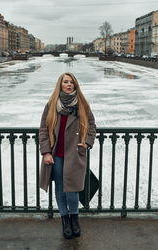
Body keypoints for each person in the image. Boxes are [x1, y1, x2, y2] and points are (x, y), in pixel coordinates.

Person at [39, 72, 96, 239]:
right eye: (65, 82)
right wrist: (46, 152)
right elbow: (43, 129)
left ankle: (75, 219)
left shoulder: (82, 105)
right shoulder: (51, 105)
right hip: (56, 154)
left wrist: (87, 142)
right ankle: (65, 220)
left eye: (72, 82)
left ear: (75, 85)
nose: (69, 84)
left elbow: (92, 125)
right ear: (60, 84)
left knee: (73, 190)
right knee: (60, 189)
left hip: (75, 153)